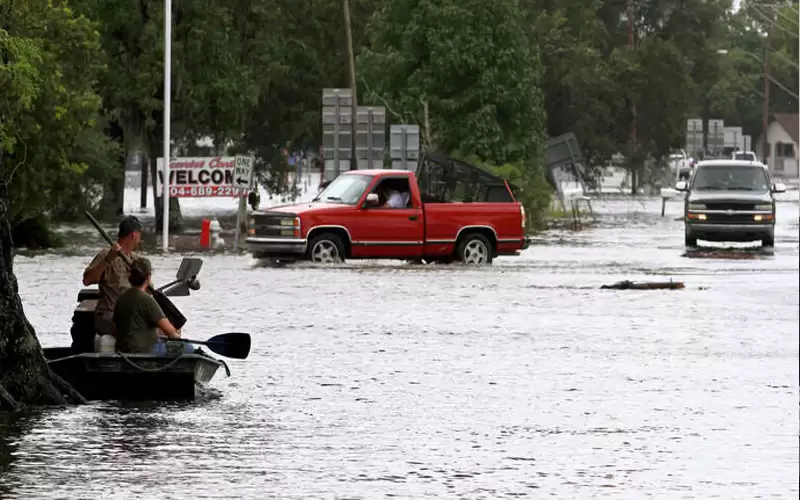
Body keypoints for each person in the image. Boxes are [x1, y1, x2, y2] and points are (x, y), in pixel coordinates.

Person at [82, 215, 143, 348]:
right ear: (134, 235)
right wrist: (108, 259)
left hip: (131, 314)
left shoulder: (137, 261)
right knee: (136, 327)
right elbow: (87, 280)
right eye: (140, 235)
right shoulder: (106, 254)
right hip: (108, 315)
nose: (140, 240)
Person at [112, 257, 192, 355]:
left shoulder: (121, 298)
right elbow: (171, 332)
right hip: (145, 351)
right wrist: (177, 335)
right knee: (189, 348)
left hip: (122, 350)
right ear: (148, 277)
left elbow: (115, 327)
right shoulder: (147, 300)